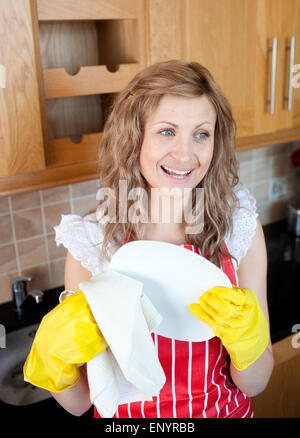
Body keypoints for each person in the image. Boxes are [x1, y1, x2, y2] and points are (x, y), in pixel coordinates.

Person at [24, 60, 274, 418]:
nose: (186, 154)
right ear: (134, 136)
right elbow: (81, 403)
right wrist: (54, 363)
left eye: (201, 134)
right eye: (167, 132)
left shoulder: (238, 231)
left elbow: (256, 383)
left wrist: (249, 343)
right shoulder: (95, 244)